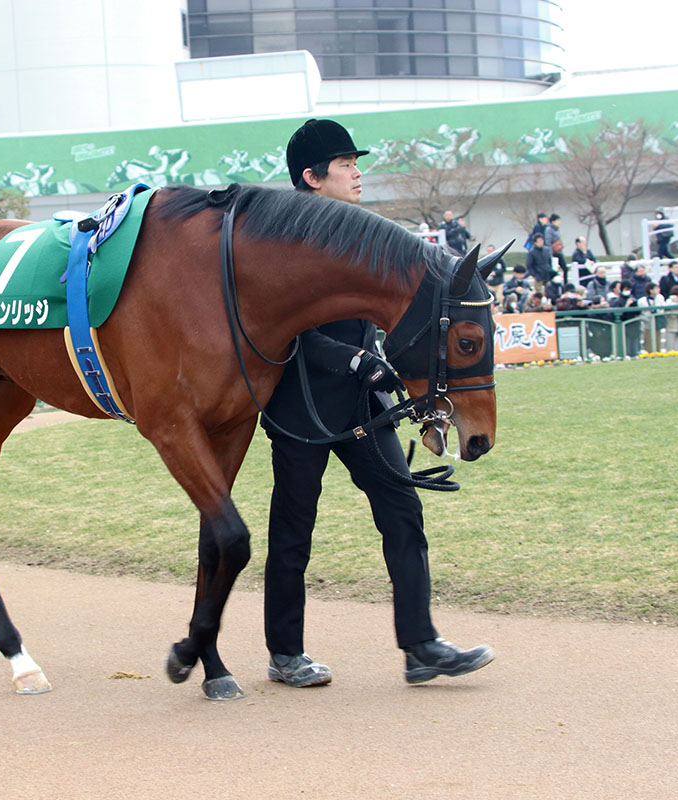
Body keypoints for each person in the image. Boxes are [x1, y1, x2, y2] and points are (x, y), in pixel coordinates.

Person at [262, 118, 494, 688]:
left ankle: (421, 646)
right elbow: (287, 329)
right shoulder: (288, 241)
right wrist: (350, 360)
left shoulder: (362, 229)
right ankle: (285, 653)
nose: (357, 172)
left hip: (366, 403)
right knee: (294, 529)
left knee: (402, 512)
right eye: (345, 164)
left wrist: (387, 359)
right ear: (313, 178)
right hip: (303, 408)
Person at [544, 213, 567, 285]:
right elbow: (548, 242)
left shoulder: (556, 229)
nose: (559, 222)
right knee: (553, 270)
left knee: (565, 268)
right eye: (558, 220)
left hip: (558, 252)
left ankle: (565, 284)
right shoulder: (549, 230)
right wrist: (550, 254)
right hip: (553, 253)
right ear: (553, 221)